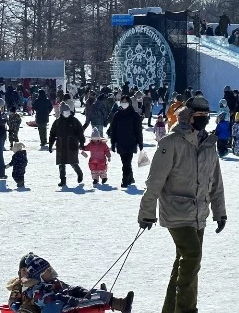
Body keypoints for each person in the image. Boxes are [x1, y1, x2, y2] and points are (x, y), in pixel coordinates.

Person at [138, 97, 227, 313]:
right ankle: (186, 309)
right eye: (199, 116)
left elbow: (215, 180)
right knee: (192, 255)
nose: (204, 120)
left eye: (207, 116)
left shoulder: (208, 143)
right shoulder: (171, 143)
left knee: (185, 261)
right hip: (176, 210)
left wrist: (220, 211)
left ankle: (170, 309)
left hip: (199, 212)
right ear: (187, 116)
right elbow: (155, 180)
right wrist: (147, 211)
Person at [13, 253, 134, 313]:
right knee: (60, 303)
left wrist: (77, 290)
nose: (50, 272)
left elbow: (66, 288)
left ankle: (113, 301)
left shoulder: (53, 282)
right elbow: (43, 300)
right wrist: (63, 297)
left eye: (50, 269)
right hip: (48, 310)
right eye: (47, 271)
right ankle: (102, 301)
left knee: (84, 294)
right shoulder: (33, 288)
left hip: (63, 307)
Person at [107, 95, 143, 188]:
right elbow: (113, 130)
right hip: (120, 142)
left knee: (127, 163)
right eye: (122, 101)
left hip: (131, 142)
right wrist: (113, 142)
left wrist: (140, 142)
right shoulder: (117, 115)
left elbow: (138, 130)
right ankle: (130, 177)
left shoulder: (135, 115)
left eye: (125, 102)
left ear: (129, 103)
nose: (124, 103)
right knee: (125, 162)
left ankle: (125, 180)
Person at [49, 103, 85, 188]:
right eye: (65, 111)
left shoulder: (75, 121)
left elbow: (80, 132)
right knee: (61, 164)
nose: (67, 112)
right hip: (61, 144)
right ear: (61, 112)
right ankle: (62, 180)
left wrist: (82, 142)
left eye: (68, 111)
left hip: (72, 143)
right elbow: (52, 134)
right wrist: (50, 144)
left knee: (73, 162)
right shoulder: (57, 122)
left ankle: (79, 173)